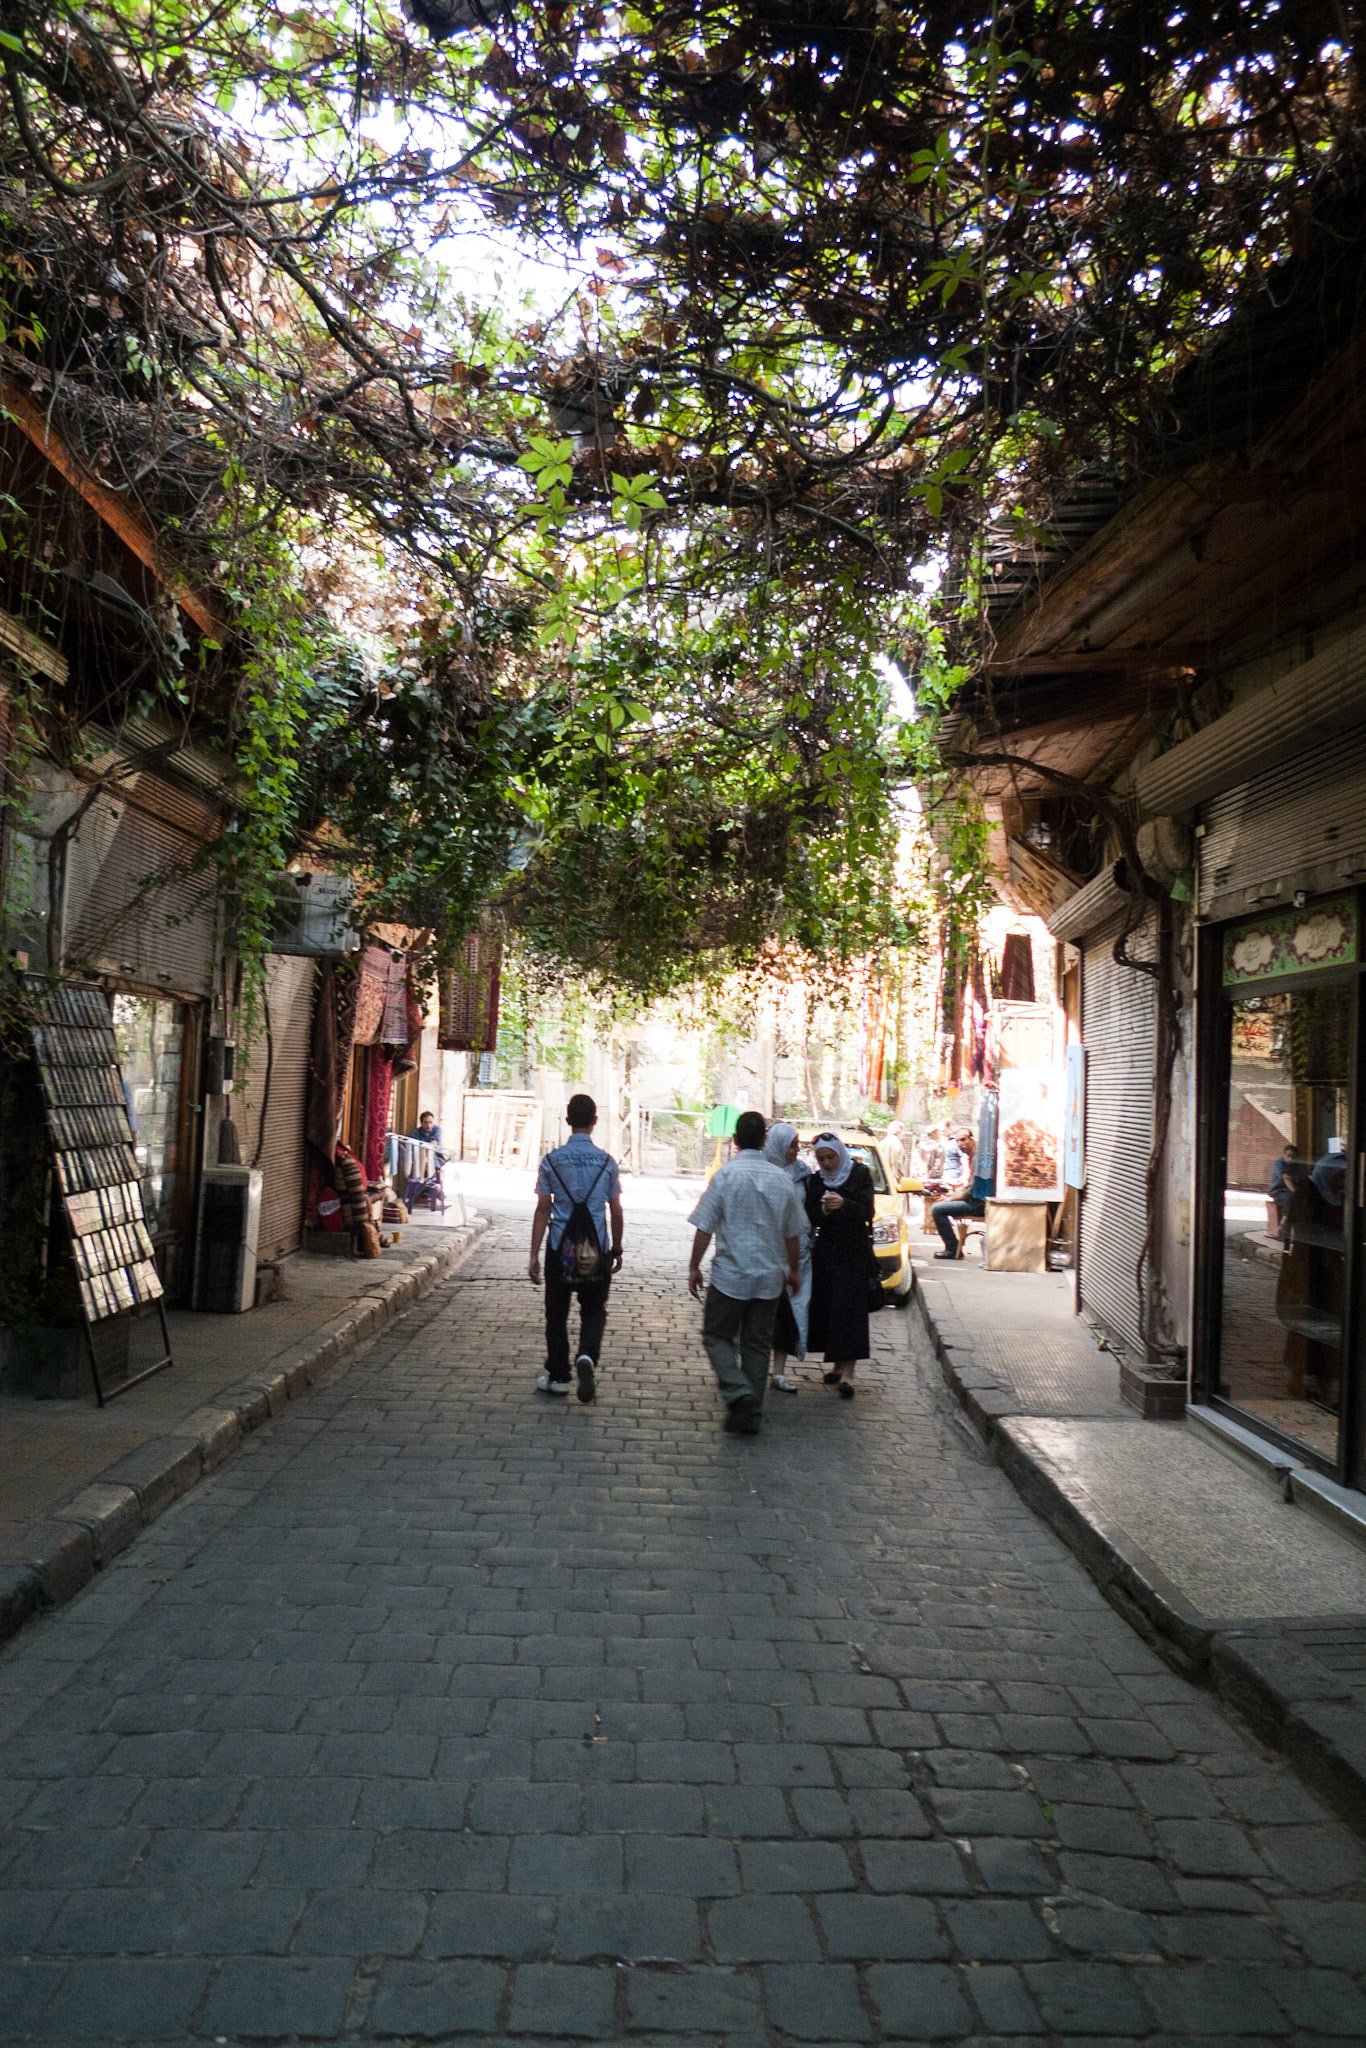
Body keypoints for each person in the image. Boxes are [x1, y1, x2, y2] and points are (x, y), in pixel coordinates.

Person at [688, 1109, 804, 1435]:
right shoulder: (782, 1179)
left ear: (736, 1140)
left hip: (730, 1276)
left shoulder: (725, 1176)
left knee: (716, 1335)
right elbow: (793, 1233)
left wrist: (694, 1266)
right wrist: (793, 1271)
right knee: (757, 1346)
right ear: (764, 1140)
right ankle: (751, 1415)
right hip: (769, 1279)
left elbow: (704, 1225)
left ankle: (738, 1391)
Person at [529, 1093, 623, 1404]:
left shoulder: (552, 1161)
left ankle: (557, 1376)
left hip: (559, 1249)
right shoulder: (608, 1162)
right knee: (594, 1308)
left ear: (568, 1120)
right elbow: (616, 1209)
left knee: (556, 1313)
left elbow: (543, 1209)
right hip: (597, 1249)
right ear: (594, 1122)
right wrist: (617, 1248)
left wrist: (533, 1254)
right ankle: (587, 1356)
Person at [805, 1132, 876, 1399]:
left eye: (830, 1157)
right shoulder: (816, 1181)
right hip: (826, 1255)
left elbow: (868, 1211)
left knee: (851, 1312)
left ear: (840, 1154)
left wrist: (844, 1204)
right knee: (832, 1310)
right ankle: (836, 1365)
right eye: (821, 1158)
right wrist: (823, 1210)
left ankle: (849, 1373)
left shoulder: (859, 1174)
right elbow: (810, 1214)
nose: (826, 1163)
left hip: (854, 1254)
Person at [763, 1120, 811, 1391]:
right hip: (766, 1251)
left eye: (797, 1145)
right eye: (791, 1145)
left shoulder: (803, 1173)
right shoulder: (761, 1171)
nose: (795, 1151)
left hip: (796, 1254)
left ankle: (778, 1371)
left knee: (789, 1312)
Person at [931, 1117, 994, 1260]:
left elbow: (971, 1190)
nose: (960, 1144)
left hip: (979, 1204)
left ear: (972, 1139)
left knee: (937, 1209)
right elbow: (969, 1186)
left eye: (963, 1140)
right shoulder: (973, 1158)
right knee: (940, 1204)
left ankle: (952, 1248)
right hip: (976, 1200)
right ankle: (953, 1247)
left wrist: (950, 1198)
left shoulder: (978, 1158)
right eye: (958, 1141)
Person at [1268, 1143, 1306, 1239]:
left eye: (1293, 1157)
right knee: (1291, 1198)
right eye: (1288, 1156)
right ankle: (1282, 1224)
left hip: (1292, 1191)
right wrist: (1295, 1192)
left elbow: (1302, 1178)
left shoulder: (1299, 1166)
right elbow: (1286, 1178)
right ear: (1284, 1155)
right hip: (1278, 1190)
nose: (1291, 1159)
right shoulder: (1279, 1162)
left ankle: (1291, 1229)